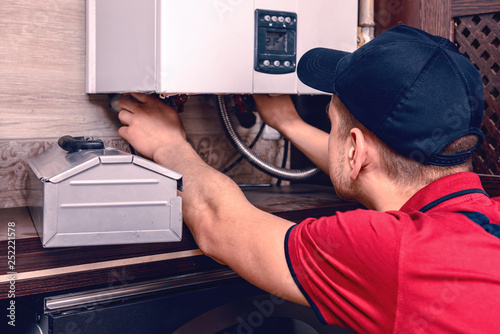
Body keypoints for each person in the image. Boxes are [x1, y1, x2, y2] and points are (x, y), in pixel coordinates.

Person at [118, 25, 500, 333]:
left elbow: (219, 224)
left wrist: (168, 144)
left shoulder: (391, 250)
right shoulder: (483, 221)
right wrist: (288, 123)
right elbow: (373, 168)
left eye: (331, 120)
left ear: (353, 150)